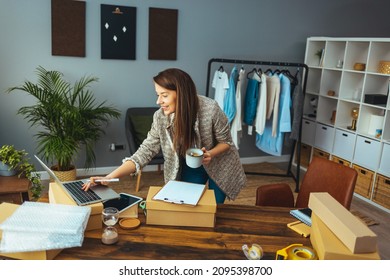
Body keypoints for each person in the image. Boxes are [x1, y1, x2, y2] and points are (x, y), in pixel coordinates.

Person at [83, 68, 246, 203]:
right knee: (188, 203)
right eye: (157, 94)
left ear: (181, 93)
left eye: (164, 95)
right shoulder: (160, 117)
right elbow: (144, 153)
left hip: (219, 162)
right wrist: (109, 177)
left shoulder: (211, 109)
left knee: (215, 207)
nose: (158, 101)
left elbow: (226, 142)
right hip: (190, 164)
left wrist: (210, 153)